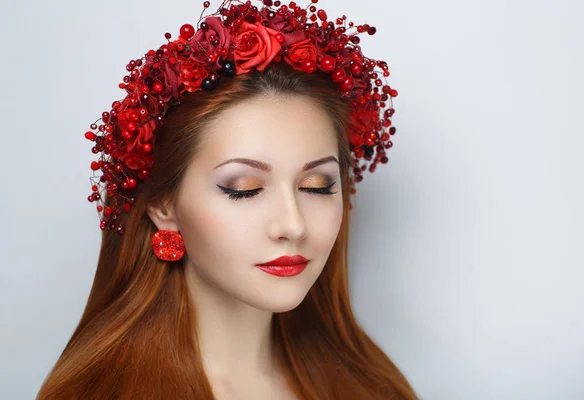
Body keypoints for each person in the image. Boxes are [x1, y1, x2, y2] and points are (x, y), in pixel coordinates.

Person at [37, 1, 419, 399]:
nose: (293, 225)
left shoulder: (372, 387)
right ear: (163, 205)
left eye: (318, 186)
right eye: (244, 188)